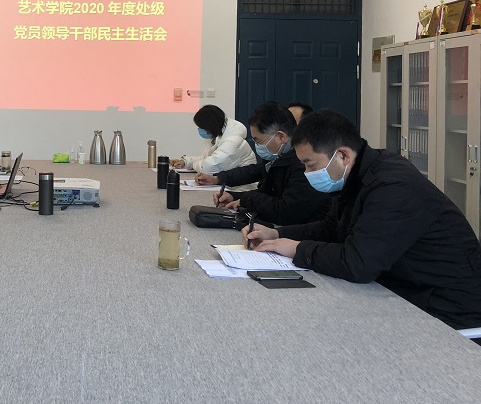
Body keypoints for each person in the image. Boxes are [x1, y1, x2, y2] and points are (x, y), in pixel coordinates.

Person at [244, 110, 481, 330]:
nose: (307, 174)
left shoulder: (392, 186)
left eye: (310, 165)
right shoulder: (358, 174)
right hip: (403, 290)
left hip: (446, 310)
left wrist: (297, 248)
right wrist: (277, 234)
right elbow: (332, 228)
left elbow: (358, 263)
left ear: (342, 155)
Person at [197, 101, 332, 226]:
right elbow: (263, 186)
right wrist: (235, 195)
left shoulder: (305, 164)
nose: (257, 146)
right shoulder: (279, 156)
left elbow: (285, 211)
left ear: (280, 136)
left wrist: (246, 199)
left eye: (259, 141)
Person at [169, 105, 256, 184]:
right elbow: (206, 158)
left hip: (242, 187)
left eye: (201, 127)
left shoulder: (233, 141)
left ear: (210, 125)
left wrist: (194, 165)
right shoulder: (218, 136)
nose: (200, 130)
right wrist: (186, 162)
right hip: (230, 184)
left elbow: (208, 167)